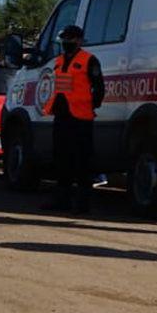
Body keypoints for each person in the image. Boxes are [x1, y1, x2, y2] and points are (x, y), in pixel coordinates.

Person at [44, 25, 105, 213]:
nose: (66, 42)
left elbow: (99, 87)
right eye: (64, 39)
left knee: (82, 161)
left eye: (70, 39)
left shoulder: (89, 60)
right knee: (61, 159)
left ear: (79, 40)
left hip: (81, 117)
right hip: (62, 116)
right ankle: (61, 201)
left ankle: (82, 204)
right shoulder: (59, 60)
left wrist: (92, 105)